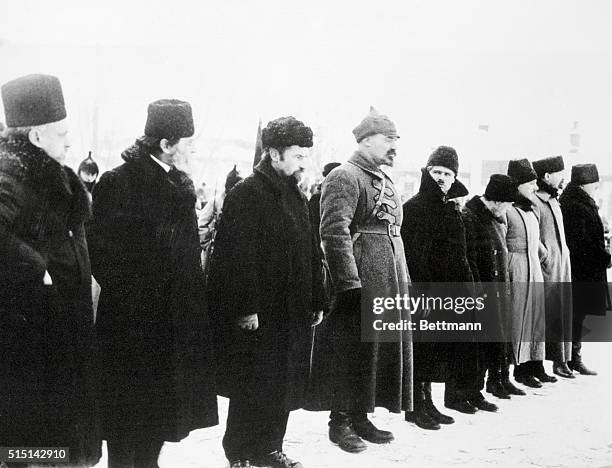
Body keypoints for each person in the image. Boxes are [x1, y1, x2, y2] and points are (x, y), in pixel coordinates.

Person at [88, 99, 218, 468]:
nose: (191, 150)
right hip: (132, 325)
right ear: (166, 144)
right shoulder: (118, 182)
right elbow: (101, 254)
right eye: (187, 143)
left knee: (161, 415)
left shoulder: (178, 183)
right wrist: (139, 298)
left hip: (173, 322)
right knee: (126, 416)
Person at [207, 116, 324, 468]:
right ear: (273, 152)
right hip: (260, 313)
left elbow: (309, 250)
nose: (304, 161)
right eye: (298, 154)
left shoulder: (296, 195)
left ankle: (270, 447)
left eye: (307, 154)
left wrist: (317, 297)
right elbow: (233, 259)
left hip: (292, 311)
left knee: (283, 384)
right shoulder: (247, 193)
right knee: (252, 385)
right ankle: (239, 453)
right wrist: (245, 308)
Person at [0, 74, 101, 466]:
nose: (69, 141)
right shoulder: (11, 177)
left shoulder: (51, 175)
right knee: (30, 441)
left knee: (56, 437)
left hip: (59, 328)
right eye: (61, 133)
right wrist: (38, 269)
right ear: (36, 138)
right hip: (30, 335)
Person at [308, 108, 413, 452]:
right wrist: (348, 283)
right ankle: (339, 421)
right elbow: (333, 231)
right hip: (359, 280)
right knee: (349, 350)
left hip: (386, 276)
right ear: (366, 140)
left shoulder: (383, 179)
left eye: (396, 139)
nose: (394, 147)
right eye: (388, 139)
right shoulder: (344, 175)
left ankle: (361, 414)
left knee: (372, 351)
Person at [402, 146, 490, 429]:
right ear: (427, 173)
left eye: (447, 173)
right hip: (426, 292)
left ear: (454, 179)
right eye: (436, 172)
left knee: (436, 350)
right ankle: (414, 406)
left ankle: (427, 400)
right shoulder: (414, 208)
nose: (441, 177)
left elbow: (461, 255)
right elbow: (414, 255)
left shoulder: (451, 209)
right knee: (421, 348)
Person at [461, 175, 525, 400]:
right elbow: (470, 258)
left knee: (493, 341)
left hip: (496, 289)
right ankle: (470, 391)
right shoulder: (470, 217)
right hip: (481, 292)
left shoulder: (492, 218)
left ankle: (481, 390)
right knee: (479, 345)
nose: (508, 210)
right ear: (497, 201)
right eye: (508, 204)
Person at [559, 164, 611, 375]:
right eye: (594, 185)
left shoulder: (580, 203)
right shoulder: (575, 205)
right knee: (575, 315)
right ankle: (569, 359)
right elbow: (581, 242)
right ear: (585, 185)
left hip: (585, 268)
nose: (595, 188)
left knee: (579, 315)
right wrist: (604, 256)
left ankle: (573, 358)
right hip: (581, 270)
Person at [505, 158, 551, 388]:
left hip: (534, 269)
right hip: (518, 268)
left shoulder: (531, 209)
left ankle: (533, 365)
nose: (535, 187)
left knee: (535, 320)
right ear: (518, 184)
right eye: (530, 183)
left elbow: (535, 239)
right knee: (518, 322)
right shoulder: (509, 209)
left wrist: (543, 253)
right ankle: (518, 370)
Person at [531, 156, 573, 378]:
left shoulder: (555, 201)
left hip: (560, 266)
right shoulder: (536, 201)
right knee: (545, 317)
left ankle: (561, 360)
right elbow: (533, 235)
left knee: (560, 314)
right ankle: (542, 364)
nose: (562, 177)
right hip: (547, 268)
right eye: (559, 173)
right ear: (547, 176)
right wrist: (544, 255)